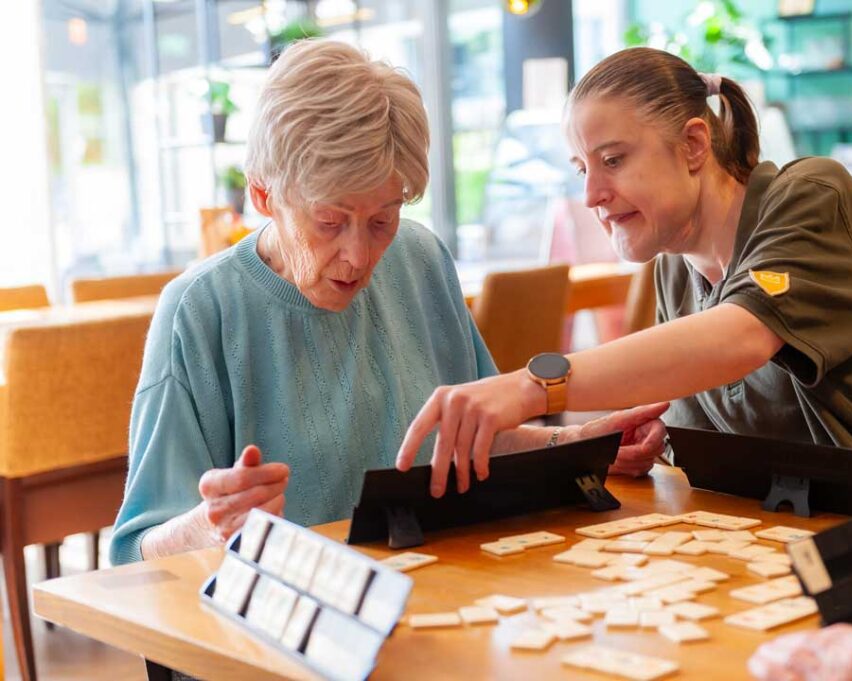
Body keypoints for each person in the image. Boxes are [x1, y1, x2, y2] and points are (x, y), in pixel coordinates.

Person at [395, 46, 852, 679]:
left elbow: (741, 339)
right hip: (793, 582)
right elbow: (721, 409)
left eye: (613, 160)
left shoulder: (812, 197)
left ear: (695, 144)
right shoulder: (676, 263)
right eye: (581, 167)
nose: (590, 194)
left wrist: (537, 386)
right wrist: (653, 442)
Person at [109, 40, 667, 565]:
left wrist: (575, 446)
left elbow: (481, 439)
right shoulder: (199, 311)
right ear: (263, 196)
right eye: (329, 222)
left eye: (382, 220)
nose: (358, 255)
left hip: (433, 592)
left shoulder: (419, 257)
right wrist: (210, 526)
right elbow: (133, 552)